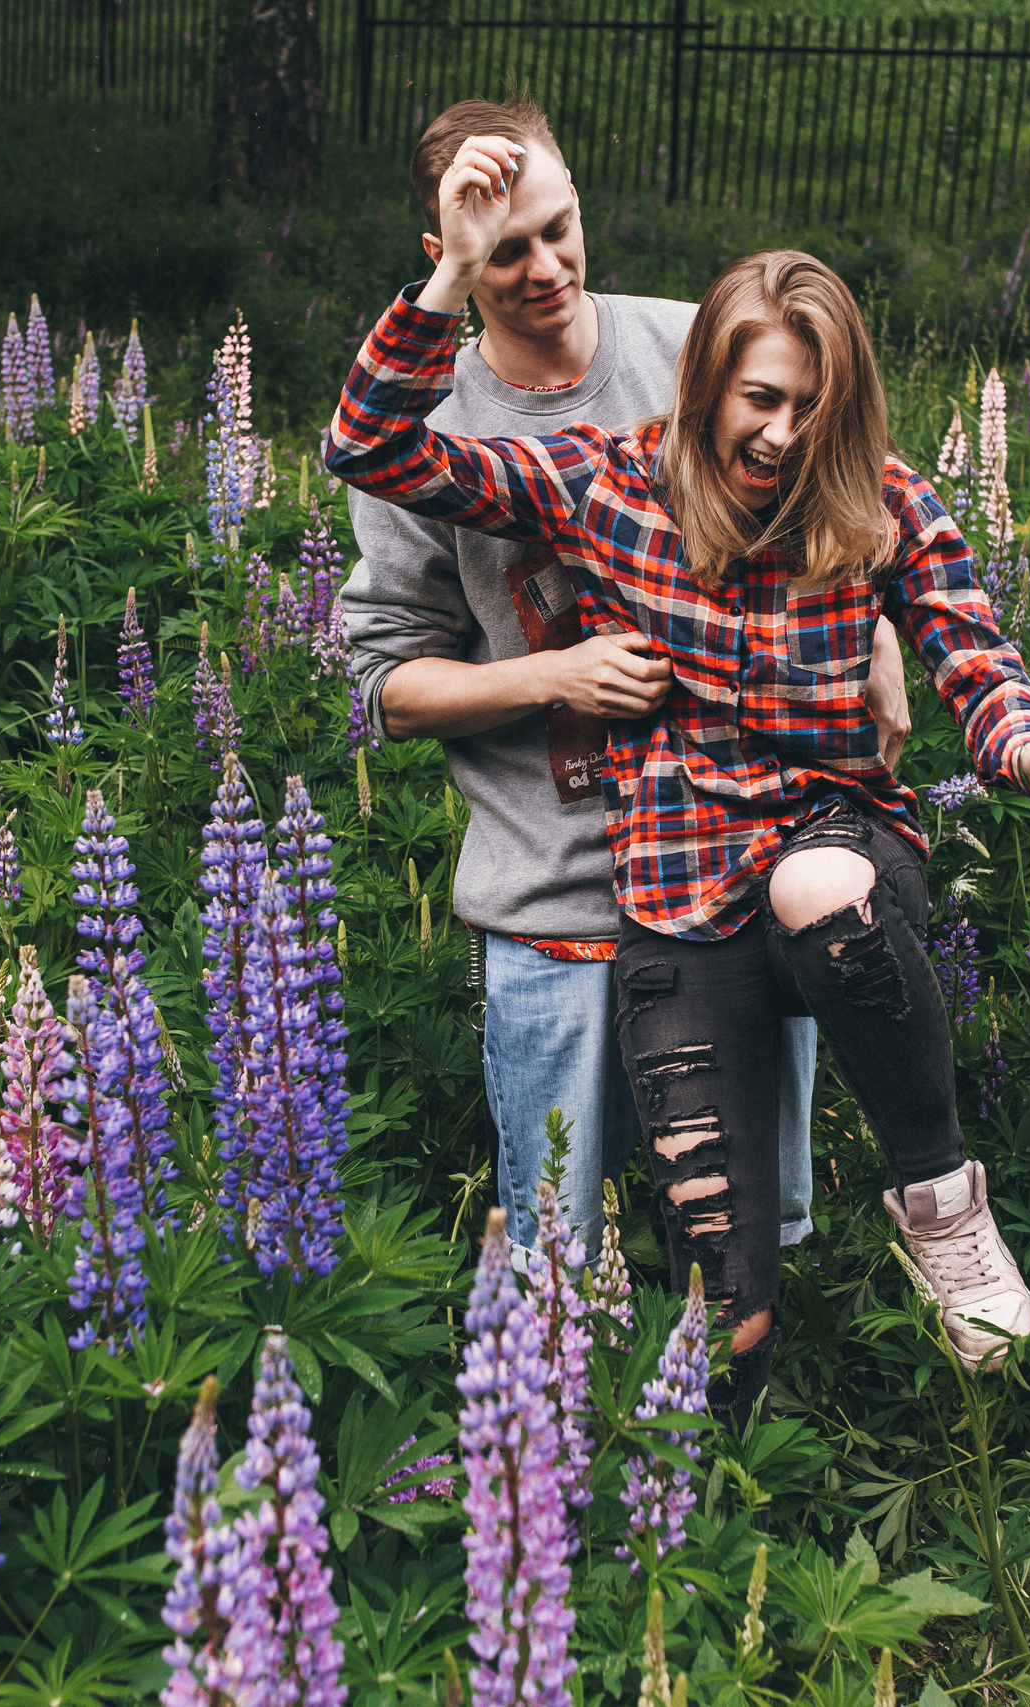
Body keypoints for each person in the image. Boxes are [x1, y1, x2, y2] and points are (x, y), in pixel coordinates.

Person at [326, 134, 1030, 1413]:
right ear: (707, 390)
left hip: (829, 839)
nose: (784, 432)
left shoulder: (882, 502)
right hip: (677, 886)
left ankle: (942, 1207)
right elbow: (374, 450)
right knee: (728, 1290)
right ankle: (715, 1500)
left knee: (823, 889)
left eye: (813, 405)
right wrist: (447, 280)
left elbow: (974, 660)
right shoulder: (608, 490)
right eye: (760, 399)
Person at [340, 97, 916, 1271]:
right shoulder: (432, 414)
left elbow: (841, 504)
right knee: (561, 1248)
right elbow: (383, 688)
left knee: (750, 1237)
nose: (545, 267)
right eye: (504, 249)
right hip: (553, 898)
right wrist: (553, 675)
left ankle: (739, 1430)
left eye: (560, 228)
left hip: (734, 874)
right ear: (448, 255)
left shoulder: (691, 349)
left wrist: (881, 630)